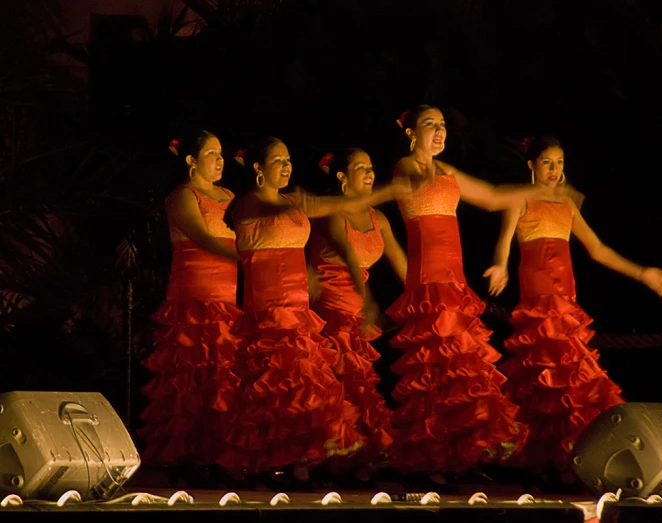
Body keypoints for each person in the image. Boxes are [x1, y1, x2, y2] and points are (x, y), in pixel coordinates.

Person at [385, 104, 574, 475]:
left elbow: (489, 197)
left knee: (459, 371)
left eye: (442, 126)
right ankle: (430, 458)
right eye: (429, 126)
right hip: (427, 283)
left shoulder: (446, 170)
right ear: (410, 133)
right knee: (434, 371)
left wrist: (540, 188)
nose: (439, 132)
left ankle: (454, 456)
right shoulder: (406, 167)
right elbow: (420, 184)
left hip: (453, 282)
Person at [483, 134, 662, 475]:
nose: (555, 170)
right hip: (539, 299)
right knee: (546, 377)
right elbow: (504, 244)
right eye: (547, 162)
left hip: (566, 300)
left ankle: (565, 459)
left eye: (559, 163)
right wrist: (499, 266)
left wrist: (642, 273)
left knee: (570, 379)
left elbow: (598, 250)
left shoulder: (567, 205)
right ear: (531, 165)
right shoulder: (520, 200)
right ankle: (548, 461)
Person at [216, 136, 404, 481]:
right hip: (268, 307)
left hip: (299, 306)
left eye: (289, 160)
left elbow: (319, 212)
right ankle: (270, 460)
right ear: (259, 169)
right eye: (278, 161)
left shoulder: (292, 202)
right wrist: (306, 205)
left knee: (303, 388)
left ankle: (299, 459)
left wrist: (384, 195)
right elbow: (286, 214)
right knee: (273, 384)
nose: (287, 166)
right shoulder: (247, 204)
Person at [138, 130, 241, 468]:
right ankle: (189, 458)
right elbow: (203, 236)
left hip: (227, 297)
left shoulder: (230, 195)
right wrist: (249, 256)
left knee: (223, 376)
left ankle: (220, 455)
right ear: (191, 161)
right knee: (193, 377)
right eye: (212, 153)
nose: (220, 159)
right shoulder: (183, 196)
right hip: (194, 295)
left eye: (222, 153)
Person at [308, 147, 408, 477]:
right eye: (360, 167)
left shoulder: (378, 218)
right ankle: (331, 455)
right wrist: (368, 303)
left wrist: (424, 296)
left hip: (357, 302)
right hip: (332, 301)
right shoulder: (333, 213)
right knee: (337, 378)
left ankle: (357, 455)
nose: (369, 172)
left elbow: (401, 263)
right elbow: (350, 257)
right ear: (342, 177)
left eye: (370, 167)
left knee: (360, 381)